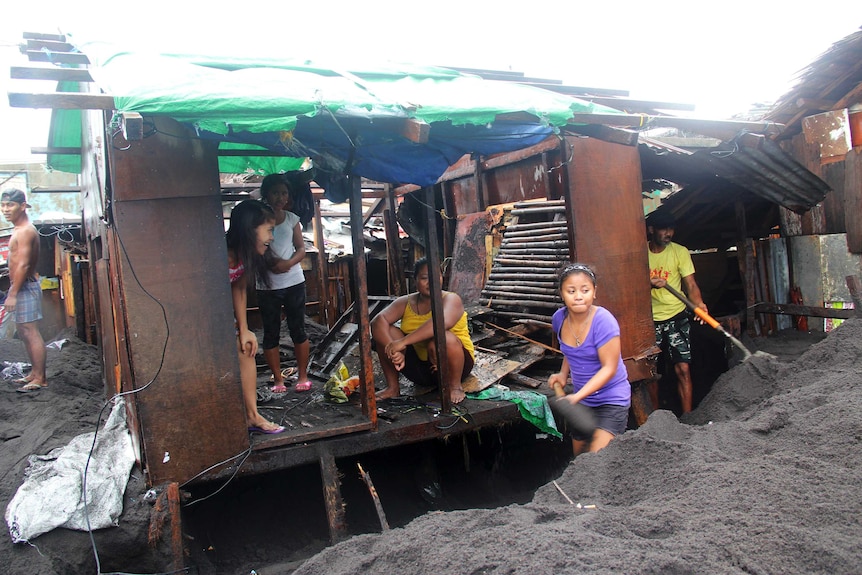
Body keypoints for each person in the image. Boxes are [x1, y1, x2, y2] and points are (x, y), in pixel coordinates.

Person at [547, 263, 631, 454]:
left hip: (611, 400)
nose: (578, 296)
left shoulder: (604, 321)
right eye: (571, 291)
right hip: (583, 404)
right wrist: (563, 373)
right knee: (579, 461)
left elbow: (609, 368)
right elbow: (572, 350)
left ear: (594, 292)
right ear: (562, 294)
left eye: (585, 290)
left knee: (596, 462)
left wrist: (577, 396)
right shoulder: (559, 319)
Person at [372, 257, 475, 404]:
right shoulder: (405, 302)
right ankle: (393, 388)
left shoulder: (452, 299)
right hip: (422, 370)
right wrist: (393, 349)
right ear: (415, 280)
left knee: (442, 337)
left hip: (454, 367)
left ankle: (455, 387)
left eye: (436, 276)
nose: (431, 282)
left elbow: (440, 323)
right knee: (387, 331)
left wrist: (403, 342)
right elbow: (377, 321)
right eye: (425, 278)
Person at [226, 200, 284, 434]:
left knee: (247, 349)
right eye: (269, 230)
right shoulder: (219, 255)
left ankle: (252, 416)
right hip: (201, 323)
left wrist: (244, 329)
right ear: (250, 229)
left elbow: (238, 290)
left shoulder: (243, 259)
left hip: (224, 321)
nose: (271, 238)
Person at [647, 212, 707, 414]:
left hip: (677, 315)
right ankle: (654, 420)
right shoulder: (640, 254)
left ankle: (688, 417)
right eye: (664, 229)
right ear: (651, 229)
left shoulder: (680, 252)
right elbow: (631, 286)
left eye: (671, 229)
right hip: (649, 320)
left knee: (682, 368)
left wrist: (699, 304)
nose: (669, 233)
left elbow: (691, 284)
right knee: (651, 373)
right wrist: (648, 283)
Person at [256, 174, 311, 393]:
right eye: (276, 192)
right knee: (271, 332)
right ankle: (278, 379)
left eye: (284, 193)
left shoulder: (291, 219)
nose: (280, 197)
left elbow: (301, 248)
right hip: (266, 285)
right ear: (266, 194)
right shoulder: (258, 219)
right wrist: (271, 264)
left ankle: (303, 375)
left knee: (298, 329)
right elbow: (255, 248)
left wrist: (288, 263)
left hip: (294, 281)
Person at [1, 189, 47, 392]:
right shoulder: (18, 229)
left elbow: (24, 265)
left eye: (10, 205)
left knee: (30, 331)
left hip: (25, 287)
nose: (5, 210)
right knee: (24, 331)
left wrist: (12, 293)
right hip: (21, 287)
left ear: (22, 206)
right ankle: (34, 374)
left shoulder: (26, 230)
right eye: (2, 206)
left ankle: (41, 378)